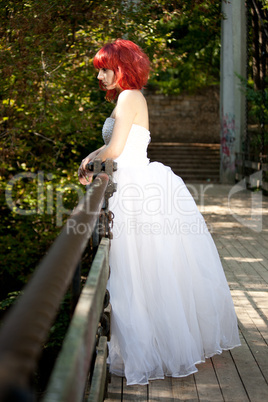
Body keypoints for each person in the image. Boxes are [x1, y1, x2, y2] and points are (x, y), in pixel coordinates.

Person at [78, 39, 240, 386]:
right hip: (137, 179)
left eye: (105, 68)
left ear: (121, 66)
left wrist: (89, 161)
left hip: (135, 186)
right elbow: (117, 146)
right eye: (99, 70)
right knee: (146, 271)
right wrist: (92, 156)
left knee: (139, 272)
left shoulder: (128, 96)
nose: (100, 76)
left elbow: (117, 149)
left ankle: (148, 349)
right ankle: (152, 344)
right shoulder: (130, 98)